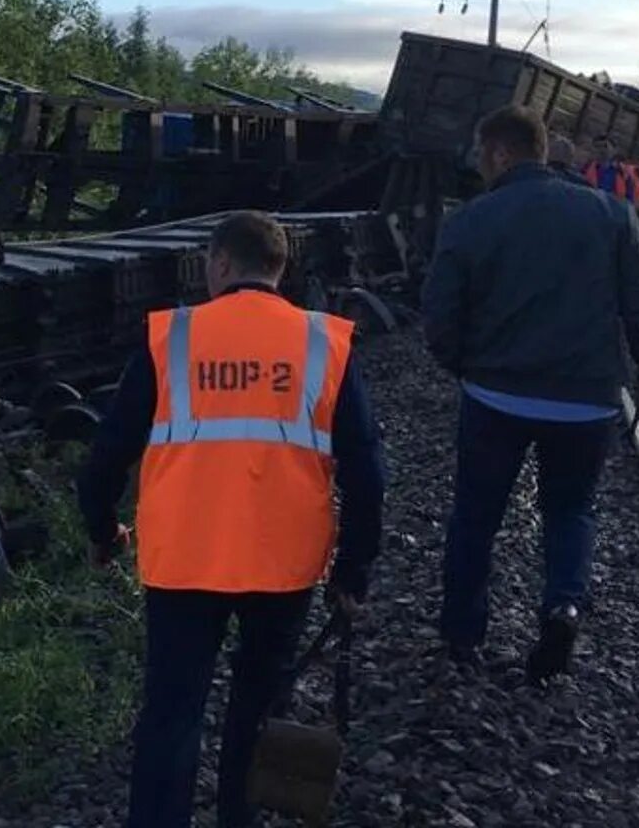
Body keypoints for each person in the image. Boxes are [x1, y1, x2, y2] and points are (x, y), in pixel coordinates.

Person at [79, 211, 386, 828]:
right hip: (284, 565)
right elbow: (367, 471)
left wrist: (102, 528)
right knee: (258, 707)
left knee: (172, 713)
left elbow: (108, 452)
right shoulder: (323, 343)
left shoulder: (172, 339)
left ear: (219, 264)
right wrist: (352, 571)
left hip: (184, 561)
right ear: (281, 268)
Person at [422, 107, 639, 681]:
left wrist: (465, 367)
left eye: (482, 154)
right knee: (571, 509)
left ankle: (461, 634)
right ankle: (563, 605)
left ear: (501, 152)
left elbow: (439, 313)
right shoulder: (612, 213)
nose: (479, 166)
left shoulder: (474, 219)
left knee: (476, 516)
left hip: (496, 395)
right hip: (587, 400)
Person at [581, 136, 639, 205]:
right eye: (597, 146)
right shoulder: (587, 168)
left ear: (614, 150)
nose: (601, 149)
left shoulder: (623, 173)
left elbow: (629, 201)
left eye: (605, 146)